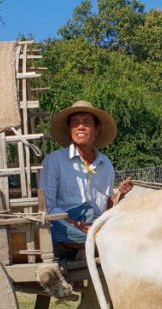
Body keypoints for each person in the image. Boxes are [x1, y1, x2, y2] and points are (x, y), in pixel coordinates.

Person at [41, 101, 132, 259]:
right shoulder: (54, 161)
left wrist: (120, 195)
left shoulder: (106, 165)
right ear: (70, 130)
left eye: (86, 123)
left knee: (129, 232)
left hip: (95, 224)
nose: (80, 127)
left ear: (96, 130)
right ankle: (90, 246)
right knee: (110, 242)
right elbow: (48, 207)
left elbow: (104, 208)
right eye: (75, 123)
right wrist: (77, 224)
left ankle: (86, 249)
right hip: (64, 223)